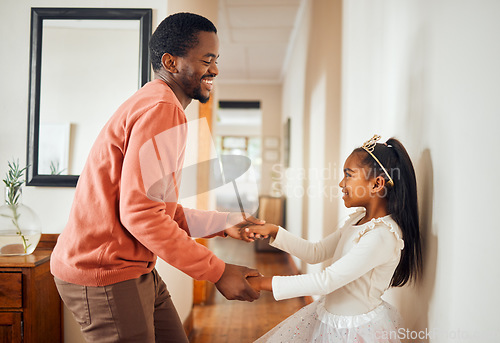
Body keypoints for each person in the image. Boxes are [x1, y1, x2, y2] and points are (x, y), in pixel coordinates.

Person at [50, 12, 263, 343]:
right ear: (171, 62)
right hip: (105, 272)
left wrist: (223, 223)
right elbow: (142, 215)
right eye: (208, 60)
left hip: (134, 266)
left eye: (216, 60)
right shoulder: (161, 109)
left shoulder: (160, 104)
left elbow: (158, 210)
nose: (216, 70)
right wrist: (218, 272)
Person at [245, 135, 422, 343]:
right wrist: (275, 232)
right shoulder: (357, 220)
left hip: (356, 332)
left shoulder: (382, 236)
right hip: (330, 321)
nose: (341, 183)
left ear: (377, 184)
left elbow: (326, 281)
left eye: (349, 175)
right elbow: (316, 252)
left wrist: (261, 283)